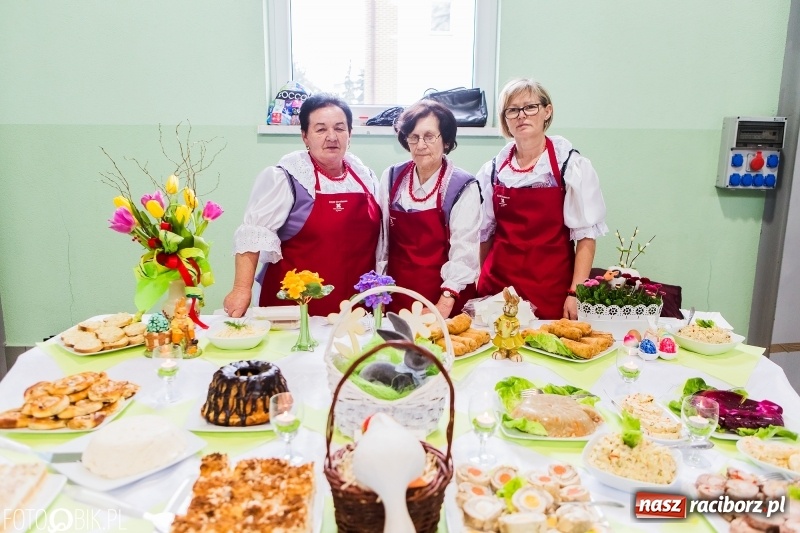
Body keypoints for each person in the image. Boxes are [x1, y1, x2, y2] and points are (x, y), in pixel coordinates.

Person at [224, 93, 381, 317]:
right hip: (295, 308)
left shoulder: (366, 177)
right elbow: (253, 234)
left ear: (350, 134)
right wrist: (241, 289)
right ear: (305, 136)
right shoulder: (287, 177)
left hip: (354, 306)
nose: (332, 137)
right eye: (320, 129)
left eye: (339, 128)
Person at [476, 78, 607, 320]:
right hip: (498, 289)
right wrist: (481, 281)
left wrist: (575, 292)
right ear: (505, 119)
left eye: (530, 107)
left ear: (547, 111)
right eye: (512, 110)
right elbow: (485, 235)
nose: (521, 115)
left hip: (551, 289)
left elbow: (586, 237)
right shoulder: (492, 171)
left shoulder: (570, 166)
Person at [378, 100, 482, 318]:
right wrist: (380, 292)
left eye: (429, 136)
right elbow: (382, 243)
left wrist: (444, 303)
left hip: (445, 299)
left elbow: (465, 251)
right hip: (399, 295)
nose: (420, 145)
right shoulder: (391, 178)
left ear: (446, 141)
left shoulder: (463, 186)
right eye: (413, 137)